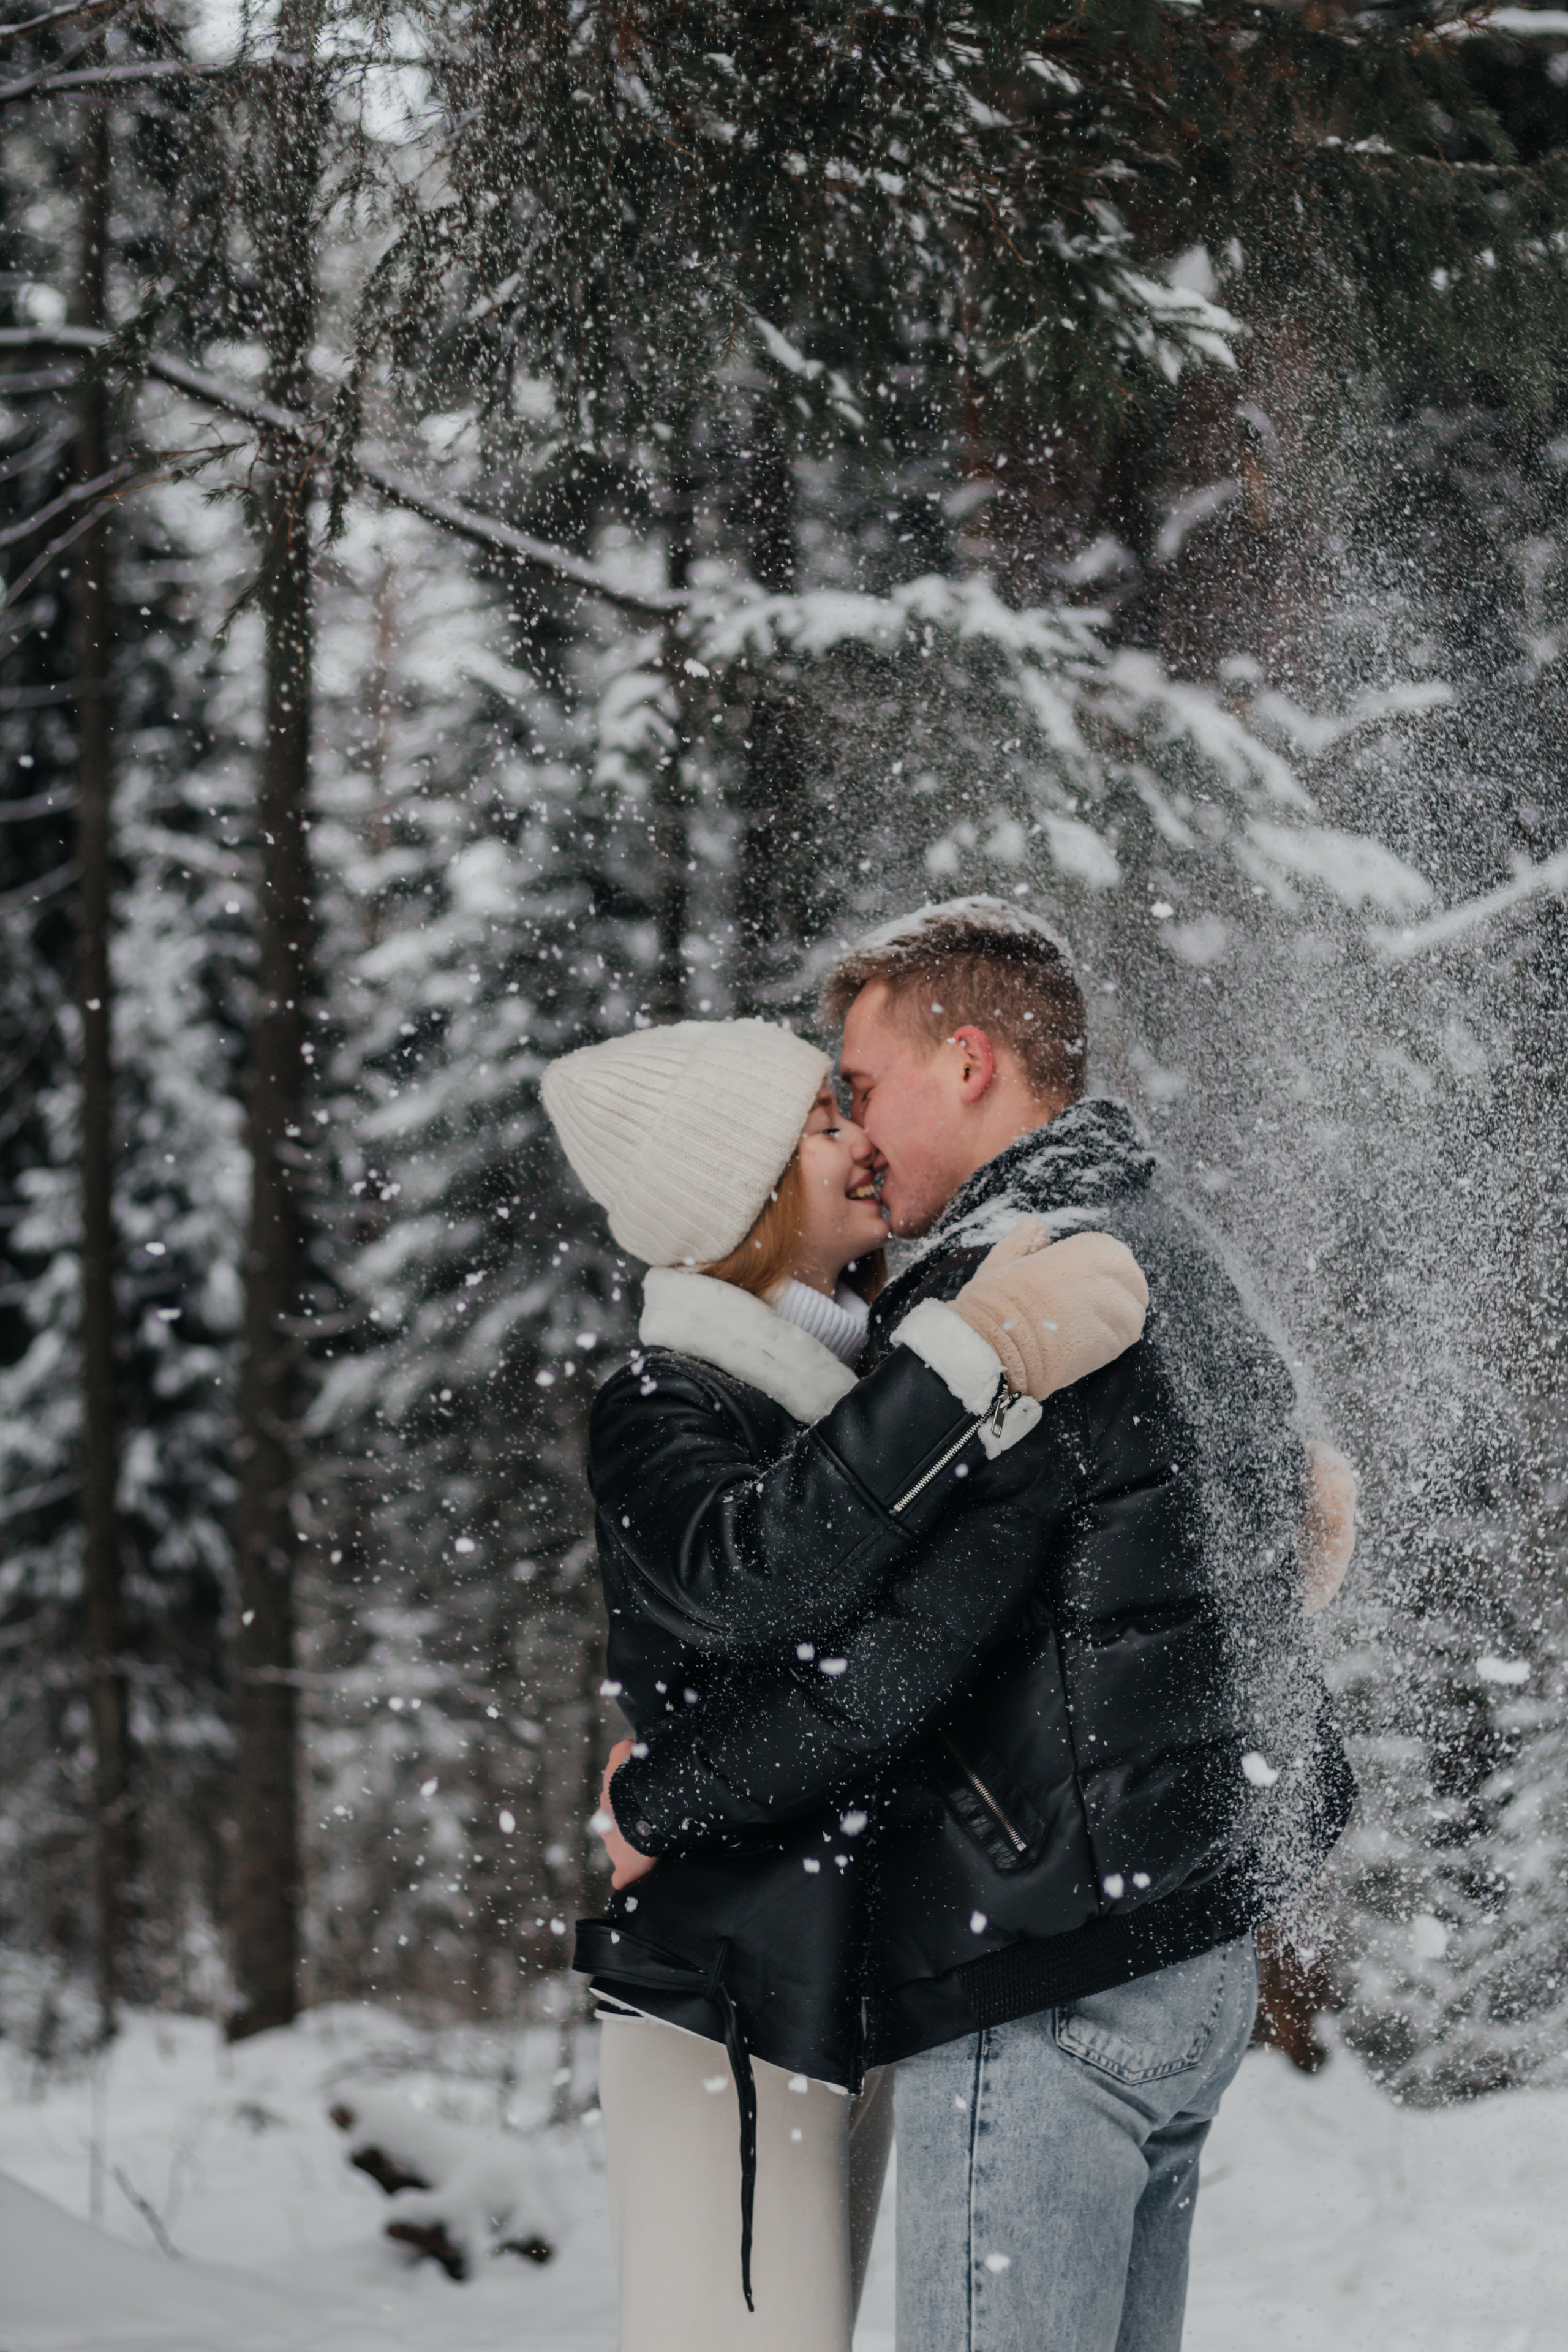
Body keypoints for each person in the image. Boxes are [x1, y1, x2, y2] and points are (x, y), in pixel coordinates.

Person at [601, 898, 1357, 2352]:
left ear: (965, 1062)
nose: (859, 1130)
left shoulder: (1008, 1287)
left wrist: (661, 1794)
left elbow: (884, 1667)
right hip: (1188, 1951)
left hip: (1041, 1971)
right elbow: (1266, 1530)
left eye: (862, 1085)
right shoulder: (1163, 1238)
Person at [538, 1015, 1151, 2352]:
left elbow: (952, 1630)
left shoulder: (855, 1384)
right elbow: (769, 1578)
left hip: (859, 1961)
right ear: (741, 1193)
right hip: (724, 1985)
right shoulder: (663, 1403)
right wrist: (968, 1362)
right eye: (823, 1125)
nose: (864, 1143)